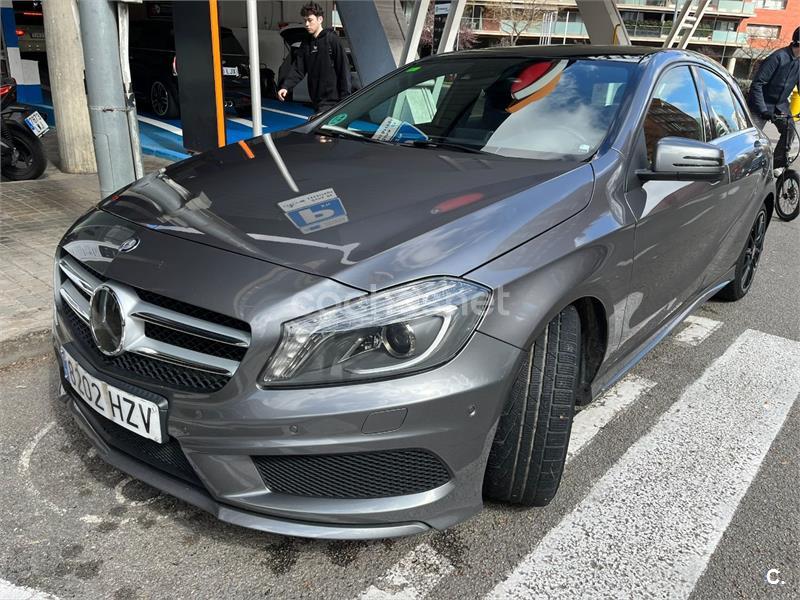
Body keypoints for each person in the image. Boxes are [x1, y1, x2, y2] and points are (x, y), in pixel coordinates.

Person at [277, 3, 351, 114]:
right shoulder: (306, 44)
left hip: (333, 102)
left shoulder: (332, 39)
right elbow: (298, 69)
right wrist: (286, 86)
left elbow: (344, 69)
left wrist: (345, 100)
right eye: (305, 20)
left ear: (320, 19)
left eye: (310, 20)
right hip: (316, 101)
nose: (306, 24)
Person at [748, 26, 800, 169]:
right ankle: (748, 169)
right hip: (760, 105)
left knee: (789, 130)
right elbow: (757, 84)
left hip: (780, 105)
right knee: (751, 140)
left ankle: (777, 165)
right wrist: (763, 110)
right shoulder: (777, 57)